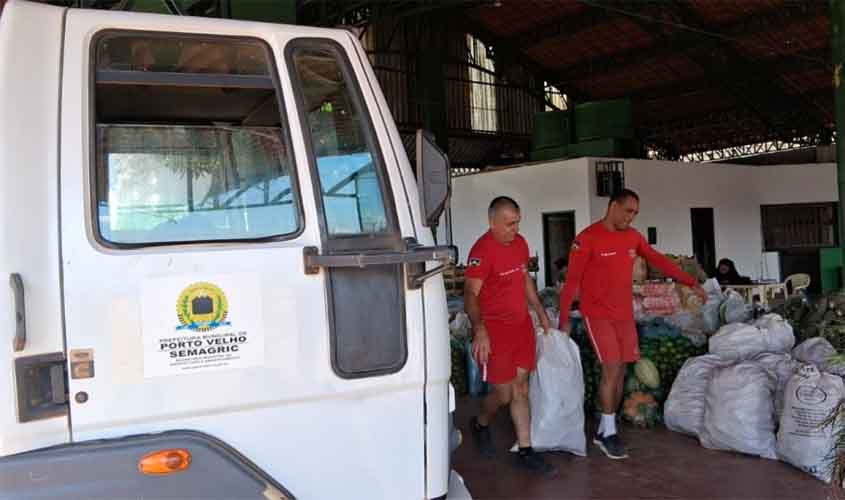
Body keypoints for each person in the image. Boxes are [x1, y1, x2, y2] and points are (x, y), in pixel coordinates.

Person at [558, 189, 707, 460]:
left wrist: (691, 282)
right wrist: (564, 320)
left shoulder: (633, 237)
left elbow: (659, 260)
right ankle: (608, 431)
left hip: (624, 315)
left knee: (621, 372)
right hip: (598, 314)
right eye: (628, 211)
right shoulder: (586, 239)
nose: (631, 217)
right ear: (613, 206)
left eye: (636, 213)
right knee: (611, 368)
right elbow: (572, 283)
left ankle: (606, 428)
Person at [465, 196, 556, 476]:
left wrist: (539, 310)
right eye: (508, 224)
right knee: (503, 395)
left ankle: (526, 450)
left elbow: (525, 279)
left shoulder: (521, 244)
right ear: (492, 222)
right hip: (495, 332)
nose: (514, 229)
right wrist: (479, 329)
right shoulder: (482, 251)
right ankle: (480, 423)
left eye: (517, 222)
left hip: (521, 328)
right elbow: (470, 294)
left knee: (521, 388)